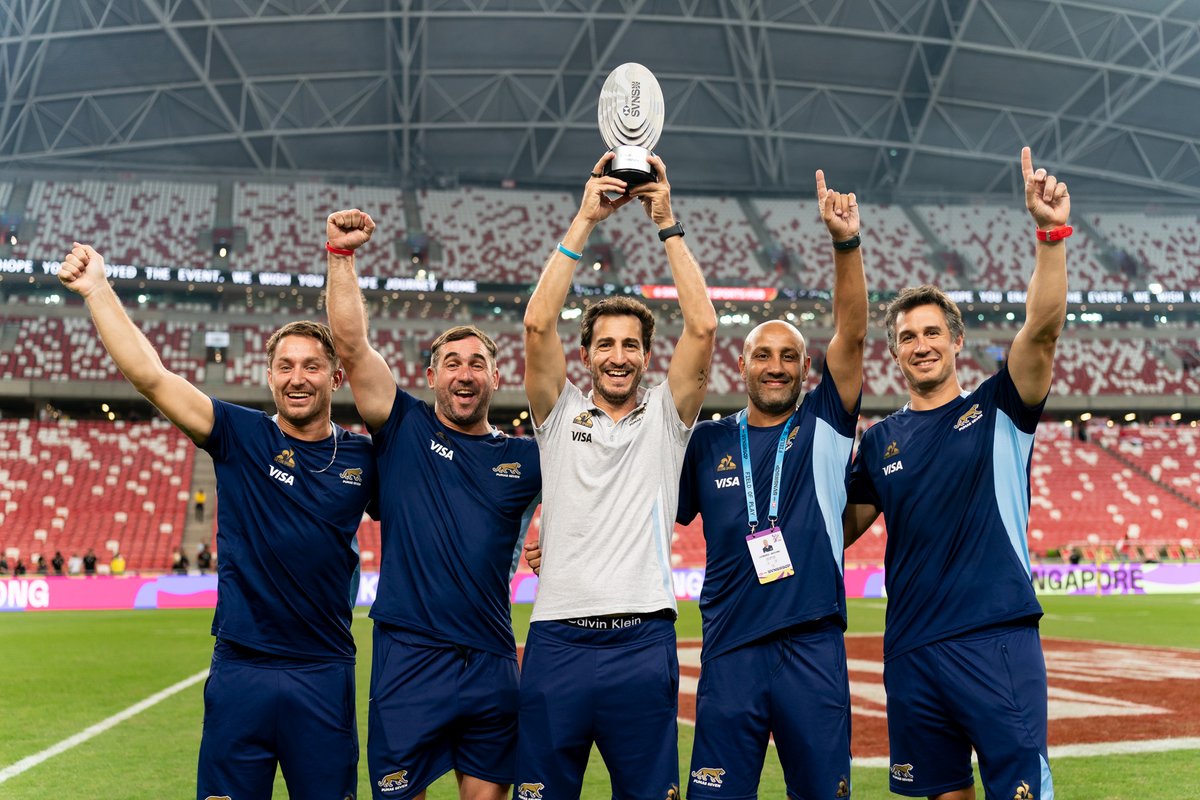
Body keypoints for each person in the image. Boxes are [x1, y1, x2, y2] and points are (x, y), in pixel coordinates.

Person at [59, 243, 377, 800]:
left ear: (337, 378)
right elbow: (151, 378)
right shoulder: (239, 433)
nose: (297, 377)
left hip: (323, 670)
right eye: (285, 366)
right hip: (241, 668)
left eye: (311, 366)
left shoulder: (361, 458)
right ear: (270, 376)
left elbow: (431, 511)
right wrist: (97, 290)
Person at [844, 147, 1068, 800]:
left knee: (1020, 792)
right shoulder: (880, 442)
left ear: (956, 341)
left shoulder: (1000, 406)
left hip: (994, 637)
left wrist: (1051, 237)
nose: (920, 344)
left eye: (931, 332)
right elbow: (837, 530)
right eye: (908, 337)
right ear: (896, 353)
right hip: (912, 649)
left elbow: (1044, 331)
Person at [517, 152, 717, 798]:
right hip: (558, 640)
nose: (619, 356)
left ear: (646, 355)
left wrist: (667, 224)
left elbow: (705, 326)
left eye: (631, 344)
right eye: (605, 344)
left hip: (643, 639)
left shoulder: (667, 415)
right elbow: (536, 322)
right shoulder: (557, 412)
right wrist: (584, 219)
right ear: (586, 354)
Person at [324, 209, 541, 800]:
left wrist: (549, 522)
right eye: (452, 363)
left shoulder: (527, 459)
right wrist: (341, 258)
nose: (464, 374)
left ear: (497, 377)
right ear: (430, 377)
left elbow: (591, 485)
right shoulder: (403, 427)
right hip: (408, 657)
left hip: (492, 657)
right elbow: (349, 342)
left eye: (476, 364)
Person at [675, 170, 866, 799]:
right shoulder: (705, 442)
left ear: (806, 368)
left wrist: (845, 246)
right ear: (743, 364)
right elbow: (641, 509)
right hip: (730, 651)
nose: (777, 366)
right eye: (764, 355)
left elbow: (854, 334)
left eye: (789, 357)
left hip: (812, 647)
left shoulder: (823, 424)